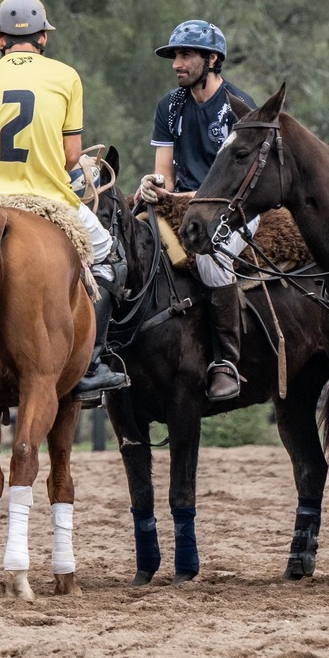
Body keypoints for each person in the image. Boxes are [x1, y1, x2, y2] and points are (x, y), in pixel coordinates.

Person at [0, 0, 126, 398]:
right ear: (43, 37)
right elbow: (69, 156)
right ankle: (91, 365)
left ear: (0, 40)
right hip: (48, 198)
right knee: (109, 259)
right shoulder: (66, 77)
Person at [136, 20, 255, 402]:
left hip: (234, 209)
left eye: (186, 54)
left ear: (213, 59)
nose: (176, 63)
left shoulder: (239, 107)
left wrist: (195, 202)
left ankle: (226, 362)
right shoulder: (169, 106)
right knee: (127, 242)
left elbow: (251, 180)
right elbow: (165, 173)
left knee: (210, 258)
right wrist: (153, 186)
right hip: (185, 205)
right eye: (175, 55)